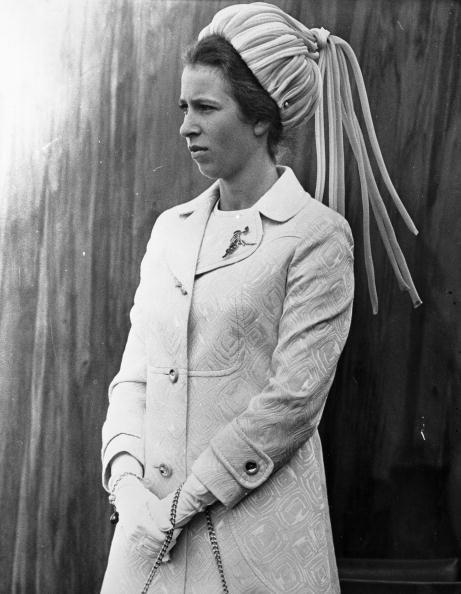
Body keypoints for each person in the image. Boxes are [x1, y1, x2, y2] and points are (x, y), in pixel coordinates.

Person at [100, 3, 420, 593]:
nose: (186, 126)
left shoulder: (316, 237)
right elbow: (134, 376)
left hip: (253, 551)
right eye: (183, 107)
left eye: (205, 108)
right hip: (148, 547)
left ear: (260, 120)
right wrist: (127, 487)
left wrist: (179, 507)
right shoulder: (170, 230)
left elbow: (290, 403)